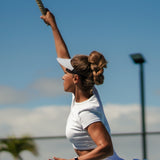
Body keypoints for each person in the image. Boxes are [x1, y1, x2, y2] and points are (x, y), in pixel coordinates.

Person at [40, 9, 124, 160]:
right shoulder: (84, 90)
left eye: (66, 74)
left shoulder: (86, 111)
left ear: (75, 79)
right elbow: (63, 56)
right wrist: (53, 26)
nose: (62, 77)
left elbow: (106, 148)